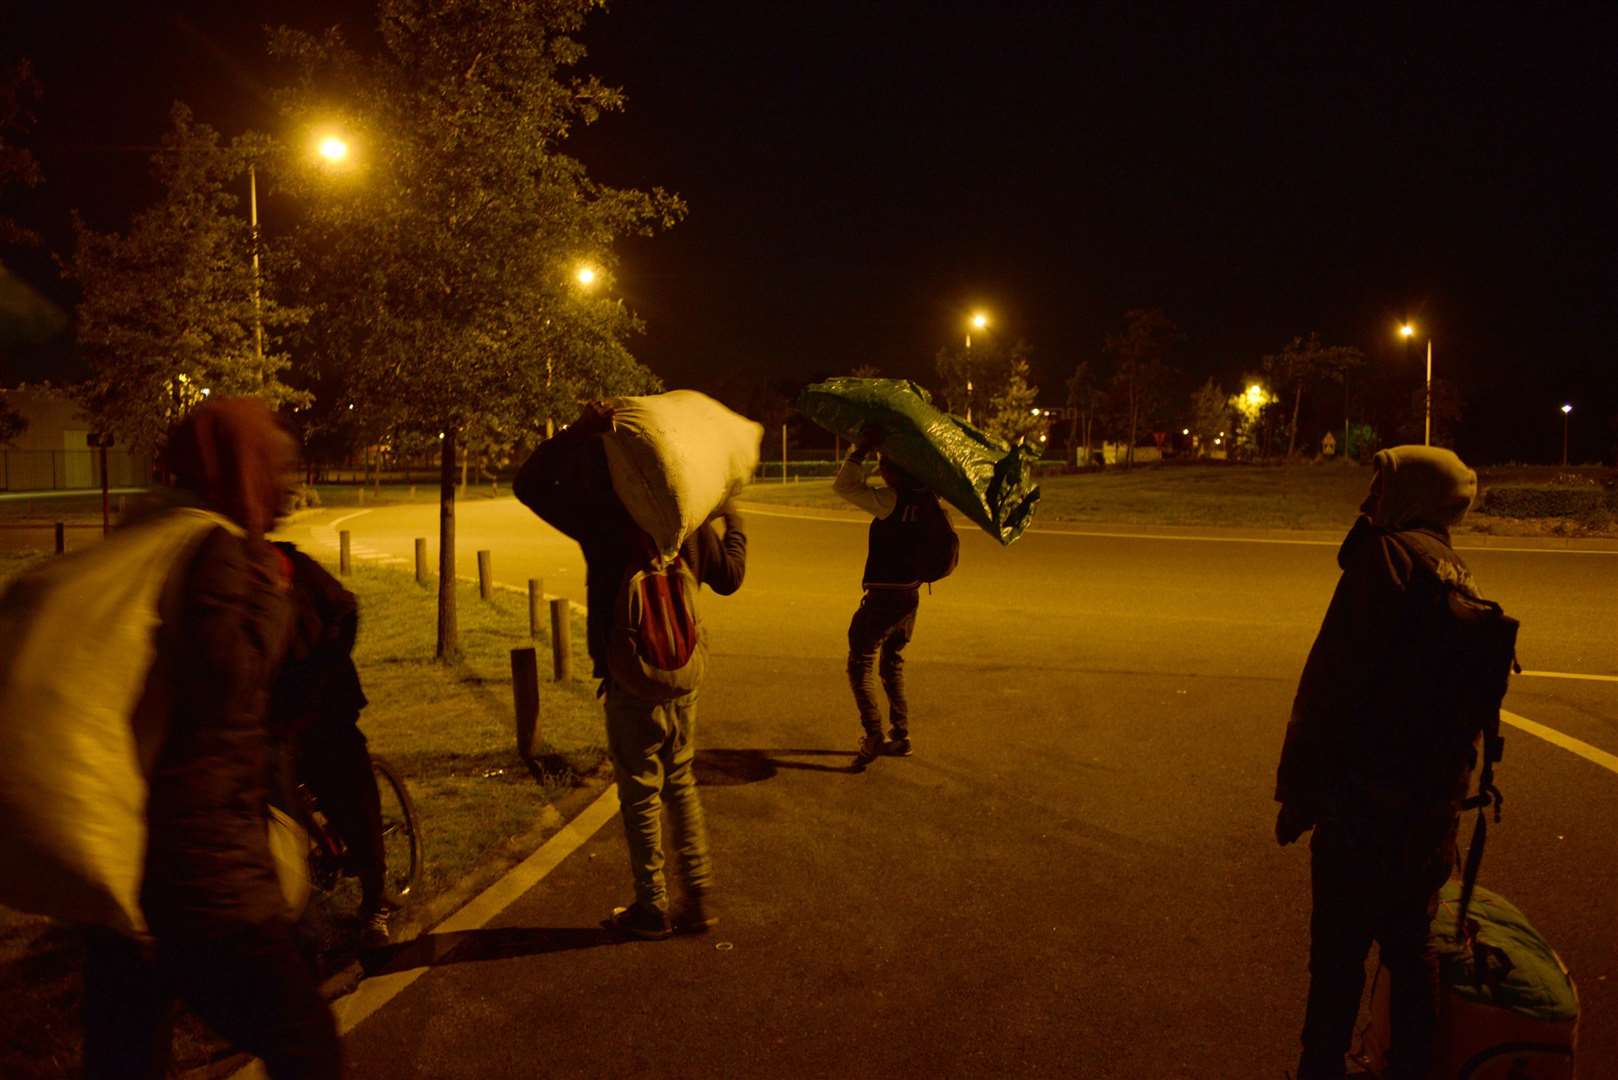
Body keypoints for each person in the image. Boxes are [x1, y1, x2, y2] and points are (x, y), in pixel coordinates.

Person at [81, 398, 342, 1079]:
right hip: (205, 873)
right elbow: (227, 687)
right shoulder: (219, 553)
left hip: (122, 859)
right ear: (240, 468)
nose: (288, 484)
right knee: (306, 1045)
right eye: (276, 467)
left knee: (126, 1057)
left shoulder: (146, 539)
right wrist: (270, 592)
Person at [1274, 445, 1484, 1080]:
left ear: (1412, 494)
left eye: (1381, 483)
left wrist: (1299, 793)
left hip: (1363, 809)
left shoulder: (1384, 562)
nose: (1368, 495)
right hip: (1429, 812)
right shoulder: (1451, 567)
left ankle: (1321, 1069)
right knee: (1409, 948)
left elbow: (1331, 686)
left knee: (1337, 958)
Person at [514, 401, 747, 940]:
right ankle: (698, 895)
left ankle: (652, 907)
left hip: (629, 674)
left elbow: (529, 483)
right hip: (684, 669)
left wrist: (583, 427)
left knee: (641, 788)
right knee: (680, 781)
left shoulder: (605, 521)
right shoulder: (688, 526)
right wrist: (732, 519)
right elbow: (731, 576)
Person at [270, 540, 393, 951]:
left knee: (356, 802)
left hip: (327, 707)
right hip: (276, 718)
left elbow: (345, 608)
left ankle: (376, 905)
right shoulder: (226, 576)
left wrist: (323, 668)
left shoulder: (291, 563)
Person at [833, 425, 949, 764]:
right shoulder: (928, 498)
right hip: (910, 597)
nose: (881, 469)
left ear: (895, 469)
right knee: (892, 664)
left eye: (884, 464)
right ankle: (901, 734)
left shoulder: (890, 500)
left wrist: (858, 452)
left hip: (885, 597)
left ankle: (873, 734)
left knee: (860, 663)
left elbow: (845, 486)